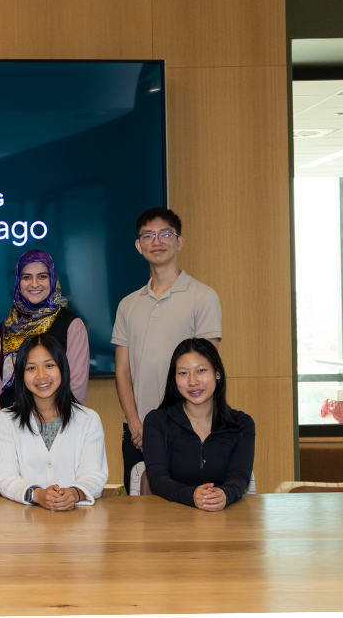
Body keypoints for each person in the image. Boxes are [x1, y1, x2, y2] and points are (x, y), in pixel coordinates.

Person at [112, 207, 222, 488]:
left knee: (188, 508)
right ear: (138, 246)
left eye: (165, 234)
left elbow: (205, 373)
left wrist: (177, 428)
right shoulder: (127, 304)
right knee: (139, 510)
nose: (156, 241)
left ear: (179, 241)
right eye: (148, 236)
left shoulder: (203, 297)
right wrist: (135, 424)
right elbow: (122, 372)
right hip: (137, 432)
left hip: (189, 431)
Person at [0, 334, 108, 509]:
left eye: (49, 365)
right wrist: (37, 495)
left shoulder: (89, 420)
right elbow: (5, 477)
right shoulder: (5, 421)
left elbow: (94, 475)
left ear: (62, 368)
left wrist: (74, 494)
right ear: (21, 374)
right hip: (22, 521)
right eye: (31, 368)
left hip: (76, 520)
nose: (41, 375)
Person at [142, 339, 254, 511]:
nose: (192, 381)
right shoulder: (157, 421)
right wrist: (191, 495)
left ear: (217, 373)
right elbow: (157, 478)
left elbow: (239, 476)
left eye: (201, 370)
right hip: (170, 518)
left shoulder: (242, 424)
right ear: (174, 378)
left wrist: (225, 494)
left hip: (224, 517)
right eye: (183, 373)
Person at [0, 250, 89, 425]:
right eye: (27, 277)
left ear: (53, 279)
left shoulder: (72, 325)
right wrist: (0, 427)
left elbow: (75, 387)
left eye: (42, 276)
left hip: (56, 426)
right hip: (10, 426)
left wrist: (50, 428)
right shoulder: (6, 327)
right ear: (18, 282)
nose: (34, 284)